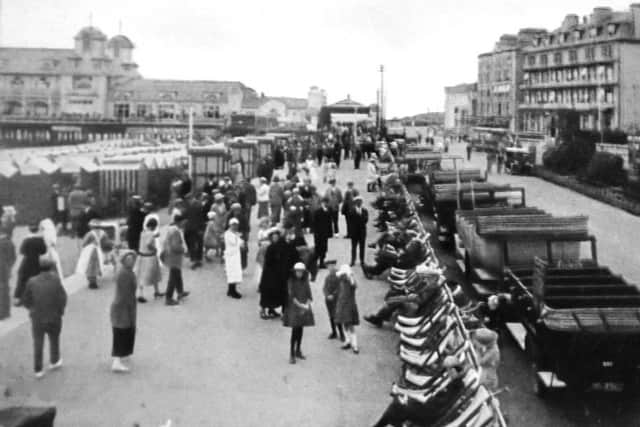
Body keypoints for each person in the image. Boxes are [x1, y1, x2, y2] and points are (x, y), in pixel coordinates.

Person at [371, 356, 467, 427]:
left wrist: (410, 399)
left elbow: (435, 405)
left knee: (397, 406)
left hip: (428, 414)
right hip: (426, 406)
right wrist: (409, 396)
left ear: (453, 371)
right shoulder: (453, 381)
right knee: (397, 405)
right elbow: (431, 394)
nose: (446, 373)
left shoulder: (455, 387)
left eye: (448, 371)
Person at [22, 254, 67, 379]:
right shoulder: (56, 280)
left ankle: (38, 369)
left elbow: (25, 300)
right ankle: (54, 361)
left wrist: (32, 309)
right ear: (51, 266)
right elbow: (63, 297)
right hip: (54, 317)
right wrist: (60, 311)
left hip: (38, 318)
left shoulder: (32, 282)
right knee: (54, 340)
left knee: (38, 342)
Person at [259, 228, 298, 319]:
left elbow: (294, 258)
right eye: (273, 237)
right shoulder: (271, 247)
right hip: (270, 274)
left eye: (276, 236)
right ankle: (264, 310)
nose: (275, 238)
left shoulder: (287, 246)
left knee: (282, 293)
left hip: (282, 274)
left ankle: (280, 312)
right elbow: (268, 261)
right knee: (268, 292)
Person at [110, 250, 138, 373]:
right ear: (124, 261)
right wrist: (132, 316)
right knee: (121, 332)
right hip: (123, 308)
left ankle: (122, 355)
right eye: (129, 259)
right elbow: (127, 296)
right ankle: (116, 361)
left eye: (132, 259)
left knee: (123, 331)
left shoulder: (125, 272)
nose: (132, 261)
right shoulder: (125, 274)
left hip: (121, 307)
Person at [283, 262, 315, 364]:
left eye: (301, 272)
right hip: (294, 308)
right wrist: (303, 306)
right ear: (294, 272)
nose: (299, 273)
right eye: (298, 271)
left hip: (303, 308)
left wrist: (306, 304)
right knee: (295, 330)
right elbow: (292, 297)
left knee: (300, 329)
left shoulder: (305, 281)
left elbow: (309, 295)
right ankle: (291, 353)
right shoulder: (291, 281)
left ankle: (298, 350)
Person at [15, 223, 47, 305]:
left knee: (22, 280)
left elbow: (22, 251)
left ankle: (19, 299)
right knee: (36, 280)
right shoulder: (40, 240)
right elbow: (43, 251)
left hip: (26, 262)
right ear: (37, 230)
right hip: (36, 262)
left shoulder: (26, 240)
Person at [161, 213, 189, 306]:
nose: (185, 223)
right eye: (184, 221)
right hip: (174, 257)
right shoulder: (175, 231)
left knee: (177, 275)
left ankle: (180, 292)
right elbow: (175, 246)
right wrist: (183, 250)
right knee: (173, 277)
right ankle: (168, 298)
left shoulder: (171, 229)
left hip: (170, 256)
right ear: (180, 222)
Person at [76, 221, 111, 290]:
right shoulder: (103, 233)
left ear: (91, 226)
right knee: (96, 265)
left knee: (89, 266)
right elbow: (106, 243)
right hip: (98, 250)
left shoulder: (90, 234)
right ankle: (94, 279)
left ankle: (92, 282)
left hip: (90, 251)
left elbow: (84, 243)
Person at [135, 215, 163, 302]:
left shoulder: (142, 232)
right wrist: (155, 249)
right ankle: (156, 291)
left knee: (141, 276)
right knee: (154, 274)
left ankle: (140, 293)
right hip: (150, 257)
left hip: (141, 256)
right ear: (153, 226)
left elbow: (148, 237)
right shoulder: (151, 234)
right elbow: (149, 244)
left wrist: (155, 236)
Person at [335, 265, 360, 354]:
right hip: (342, 305)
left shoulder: (350, 282)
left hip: (349, 306)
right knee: (344, 324)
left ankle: (355, 344)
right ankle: (348, 341)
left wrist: (350, 277)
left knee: (350, 325)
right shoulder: (341, 281)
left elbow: (354, 285)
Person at [472, 327, 500, 392]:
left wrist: (477, 348)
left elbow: (478, 362)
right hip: (482, 372)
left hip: (487, 379)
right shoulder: (488, 345)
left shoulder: (493, 352)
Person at [322, 264, 344, 341]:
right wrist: (327, 295)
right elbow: (324, 288)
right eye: (329, 267)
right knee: (331, 316)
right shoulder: (327, 277)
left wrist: (333, 295)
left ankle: (341, 333)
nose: (331, 269)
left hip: (336, 300)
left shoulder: (338, 277)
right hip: (329, 301)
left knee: (337, 316)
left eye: (332, 267)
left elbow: (340, 288)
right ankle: (334, 332)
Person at [224, 218, 244, 299]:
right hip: (231, 256)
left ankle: (232, 290)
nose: (235, 226)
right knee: (232, 273)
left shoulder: (235, 233)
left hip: (236, 255)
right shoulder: (228, 234)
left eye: (236, 225)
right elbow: (235, 242)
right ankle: (231, 291)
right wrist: (239, 239)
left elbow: (241, 242)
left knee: (235, 273)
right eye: (233, 225)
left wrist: (240, 240)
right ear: (230, 225)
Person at [184, 194, 205, 269]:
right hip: (190, 228)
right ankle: (197, 259)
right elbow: (186, 215)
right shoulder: (189, 205)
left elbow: (202, 217)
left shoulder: (198, 205)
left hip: (196, 228)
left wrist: (201, 229)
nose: (187, 201)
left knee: (196, 244)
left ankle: (196, 260)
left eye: (188, 199)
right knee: (193, 244)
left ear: (191, 198)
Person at [0, 227, 16, 320]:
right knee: (6, 289)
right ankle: (6, 311)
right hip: (6, 269)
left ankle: (2, 313)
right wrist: (9, 266)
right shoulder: (10, 243)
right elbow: (13, 257)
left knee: (1, 290)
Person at [312, 197, 333, 269]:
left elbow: (330, 223)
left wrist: (330, 233)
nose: (325, 204)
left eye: (326, 203)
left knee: (324, 249)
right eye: (323, 203)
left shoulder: (329, 211)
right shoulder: (317, 211)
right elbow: (314, 223)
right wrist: (315, 233)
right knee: (317, 248)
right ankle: (313, 263)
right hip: (318, 234)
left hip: (325, 234)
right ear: (321, 203)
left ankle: (321, 262)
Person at [349, 196, 368, 267]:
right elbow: (350, 221)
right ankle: (353, 260)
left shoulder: (365, 211)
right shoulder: (352, 211)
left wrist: (360, 216)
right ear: (355, 203)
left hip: (362, 232)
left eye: (360, 202)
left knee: (362, 247)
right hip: (354, 232)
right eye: (358, 202)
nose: (359, 203)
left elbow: (366, 220)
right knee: (354, 247)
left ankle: (362, 260)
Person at [254, 217, 271, 290]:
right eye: (263, 223)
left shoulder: (270, 231)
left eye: (266, 223)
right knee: (261, 268)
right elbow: (259, 242)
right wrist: (263, 240)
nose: (265, 225)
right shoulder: (260, 232)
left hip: (269, 250)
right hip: (262, 250)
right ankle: (260, 284)